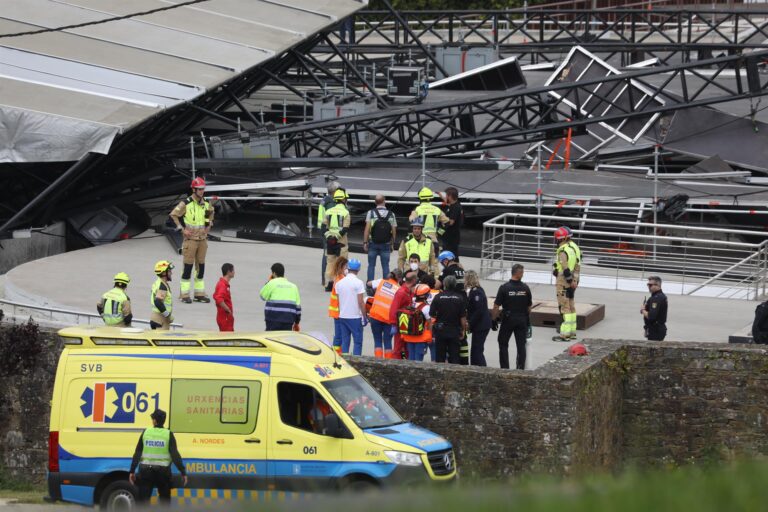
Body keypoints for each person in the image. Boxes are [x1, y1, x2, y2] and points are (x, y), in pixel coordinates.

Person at [169, 177, 214, 304]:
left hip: (202, 240)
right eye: (199, 189)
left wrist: (209, 225)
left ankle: (199, 294)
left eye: (203, 189)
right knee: (188, 268)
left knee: (201, 267)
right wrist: (182, 229)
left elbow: (211, 213)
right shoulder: (186, 203)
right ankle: (184, 295)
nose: (201, 191)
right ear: (193, 189)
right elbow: (173, 215)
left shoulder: (206, 203)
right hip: (190, 240)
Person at [128, 409, 187, 505]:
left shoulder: (146, 432)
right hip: (163, 473)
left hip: (146, 472)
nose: (152, 420)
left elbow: (138, 452)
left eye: (153, 418)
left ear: (155, 421)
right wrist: (183, 472)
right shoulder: (168, 434)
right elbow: (175, 454)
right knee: (164, 502)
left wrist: (132, 470)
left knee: (143, 502)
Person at [492, 263, 533, 370]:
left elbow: (496, 306)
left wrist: (494, 320)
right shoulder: (525, 288)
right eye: (523, 272)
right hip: (522, 319)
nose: (523, 274)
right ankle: (520, 369)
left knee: (503, 343)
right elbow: (529, 307)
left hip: (508, 319)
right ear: (519, 274)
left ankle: (505, 368)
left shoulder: (504, 288)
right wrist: (526, 319)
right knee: (521, 346)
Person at [429, 275, 468, 364]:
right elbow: (463, 318)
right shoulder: (459, 298)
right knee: (454, 356)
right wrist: (463, 331)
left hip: (440, 330)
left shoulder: (438, 297)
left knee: (440, 357)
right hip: (454, 331)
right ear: (454, 285)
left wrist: (431, 332)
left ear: (444, 284)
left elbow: (432, 316)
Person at [551, 226, 581, 341]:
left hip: (563, 282)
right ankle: (572, 332)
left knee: (564, 306)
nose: (556, 240)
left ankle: (565, 334)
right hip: (572, 281)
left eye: (557, 239)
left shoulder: (563, 250)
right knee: (571, 305)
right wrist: (575, 281)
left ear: (562, 239)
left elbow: (565, 268)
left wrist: (569, 280)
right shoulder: (574, 247)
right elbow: (577, 265)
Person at [367, 269, 402, 358]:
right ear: (399, 279)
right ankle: (388, 363)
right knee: (387, 342)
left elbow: (369, 284)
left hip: (375, 316)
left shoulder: (381, 282)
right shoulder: (399, 289)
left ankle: (378, 362)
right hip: (388, 319)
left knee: (377, 340)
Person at [336, 258, 367, 355]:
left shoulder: (339, 283)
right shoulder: (359, 283)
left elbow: (338, 301)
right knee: (357, 342)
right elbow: (361, 302)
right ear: (358, 269)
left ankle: (345, 363)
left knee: (345, 342)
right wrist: (365, 316)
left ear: (347, 268)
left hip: (343, 316)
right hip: (355, 318)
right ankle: (356, 362)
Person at [363, 195, 397, 283]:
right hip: (386, 244)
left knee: (371, 265)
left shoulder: (371, 213)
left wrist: (365, 242)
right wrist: (392, 243)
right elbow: (393, 231)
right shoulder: (391, 214)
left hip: (373, 243)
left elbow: (367, 229)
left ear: (375, 202)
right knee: (385, 266)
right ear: (384, 201)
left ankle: (370, 285)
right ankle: (386, 286)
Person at [259, 263, 301, 331]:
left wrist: (268, 282)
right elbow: (298, 308)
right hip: (288, 320)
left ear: (274, 273)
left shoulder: (271, 283)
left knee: (271, 339)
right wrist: (297, 323)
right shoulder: (294, 287)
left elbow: (262, 296)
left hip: (272, 320)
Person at [323, 188, 351, 291]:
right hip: (341, 243)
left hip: (330, 242)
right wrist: (336, 237)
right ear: (343, 200)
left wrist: (329, 237)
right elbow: (345, 228)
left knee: (330, 262)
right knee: (342, 263)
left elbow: (323, 227)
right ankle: (340, 284)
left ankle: (330, 284)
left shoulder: (328, 211)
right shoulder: (346, 212)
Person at [409, 187, 451, 253]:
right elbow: (447, 222)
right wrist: (439, 233)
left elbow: (412, 222)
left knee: (419, 262)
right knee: (433, 263)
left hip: (420, 241)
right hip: (434, 242)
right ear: (430, 198)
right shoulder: (437, 209)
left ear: (420, 198)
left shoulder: (417, 209)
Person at [389, 271, 418, 359]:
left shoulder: (409, 291)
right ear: (413, 280)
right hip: (400, 324)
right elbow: (394, 308)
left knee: (406, 348)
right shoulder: (402, 292)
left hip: (406, 324)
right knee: (398, 347)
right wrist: (394, 324)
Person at [400, 284, 433, 361]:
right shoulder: (426, 307)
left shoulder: (411, 304)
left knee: (411, 359)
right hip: (420, 338)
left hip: (409, 337)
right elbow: (429, 323)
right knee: (418, 361)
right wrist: (430, 337)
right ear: (425, 295)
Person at [465, 270, 490, 366]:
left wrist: (470, 323)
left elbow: (478, 310)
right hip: (480, 325)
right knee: (475, 350)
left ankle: (483, 371)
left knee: (477, 351)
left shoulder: (476, 292)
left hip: (481, 326)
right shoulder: (477, 290)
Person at [318, 180, 341, 287]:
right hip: (330, 232)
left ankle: (325, 278)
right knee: (330, 256)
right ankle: (330, 279)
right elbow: (333, 218)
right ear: (334, 191)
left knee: (326, 254)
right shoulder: (331, 203)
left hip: (323, 230)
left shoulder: (324, 200)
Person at [328, 257, 348, 355]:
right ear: (342, 267)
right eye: (346, 267)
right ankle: (336, 354)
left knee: (338, 335)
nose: (347, 269)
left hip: (336, 311)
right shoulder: (341, 279)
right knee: (339, 336)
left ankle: (336, 352)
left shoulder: (338, 278)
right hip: (339, 312)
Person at [642, 275, 668, 341]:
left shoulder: (656, 298)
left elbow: (651, 316)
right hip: (656, 329)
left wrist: (642, 310)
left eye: (650, 285)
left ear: (657, 285)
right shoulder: (659, 296)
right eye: (648, 285)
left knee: (652, 351)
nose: (648, 287)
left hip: (656, 330)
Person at [440, 187, 464, 260]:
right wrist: (440, 195)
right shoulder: (453, 204)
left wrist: (441, 219)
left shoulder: (456, 208)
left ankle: (456, 269)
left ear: (450, 196)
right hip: (448, 237)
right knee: (446, 256)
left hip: (452, 238)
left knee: (452, 257)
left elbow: (451, 222)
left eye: (447, 195)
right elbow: (447, 202)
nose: (446, 197)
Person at [150, 261, 174, 330]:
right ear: (163, 273)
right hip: (161, 320)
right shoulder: (162, 286)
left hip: (155, 317)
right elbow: (158, 302)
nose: (171, 273)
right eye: (169, 271)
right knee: (161, 340)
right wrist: (168, 315)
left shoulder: (158, 282)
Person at [213, 263, 235, 332]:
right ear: (228, 272)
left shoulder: (222, 283)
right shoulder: (223, 285)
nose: (234, 272)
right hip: (225, 317)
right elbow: (219, 299)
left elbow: (215, 296)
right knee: (228, 338)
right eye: (233, 270)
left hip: (224, 317)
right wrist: (227, 309)